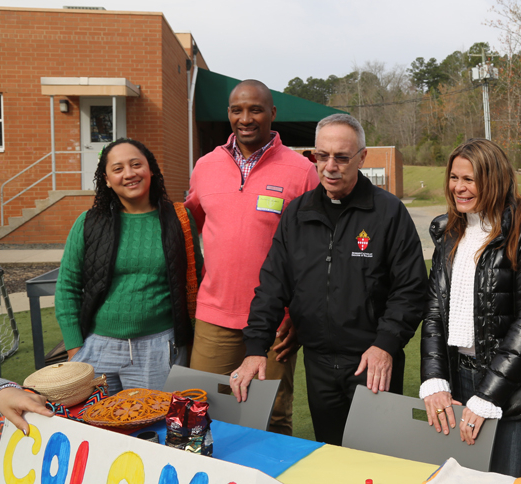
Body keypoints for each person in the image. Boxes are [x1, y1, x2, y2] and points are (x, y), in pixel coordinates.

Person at [231, 113, 428, 446]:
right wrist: (255, 347)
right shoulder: (297, 213)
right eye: (321, 156)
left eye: (341, 157)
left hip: (371, 362)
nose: (329, 166)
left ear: (362, 157)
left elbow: (410, 289)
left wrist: (385, 345)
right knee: (331, 457)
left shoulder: (389, 213)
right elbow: (273, 283)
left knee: (376, 462)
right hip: (319, 363)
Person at [185, 80, 319, 436]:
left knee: (272, 417)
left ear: (272, 114)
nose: (245, 118)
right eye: (237, 110)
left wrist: (296, 312)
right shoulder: (205, 167)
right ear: (228, 114)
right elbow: (193, 227)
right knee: (200, 408)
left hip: (277, 321)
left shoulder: (302, 171)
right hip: (215, 316)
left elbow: (316, 251)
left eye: (255, 109)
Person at [419, 139, 521, 478]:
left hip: (514, 390)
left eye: (470, 179)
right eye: (454, 177)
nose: (459, 188)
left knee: (503, 479)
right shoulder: (449, 232)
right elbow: (435, 311)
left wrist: (488, 395)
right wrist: (435, 378)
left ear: (494, 180)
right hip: (460, 378)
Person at [55, 138, 202, 393]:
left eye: (136, 164)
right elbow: (67, 287)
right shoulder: (89, 223)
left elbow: (196, 280)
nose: (129, 174)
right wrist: (75, 349)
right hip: (97, 349)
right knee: (98, 428)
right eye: (118, 168)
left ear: (151, 169)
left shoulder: (179, 219)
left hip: (158, 350)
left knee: (152, 430)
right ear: (107, 179)